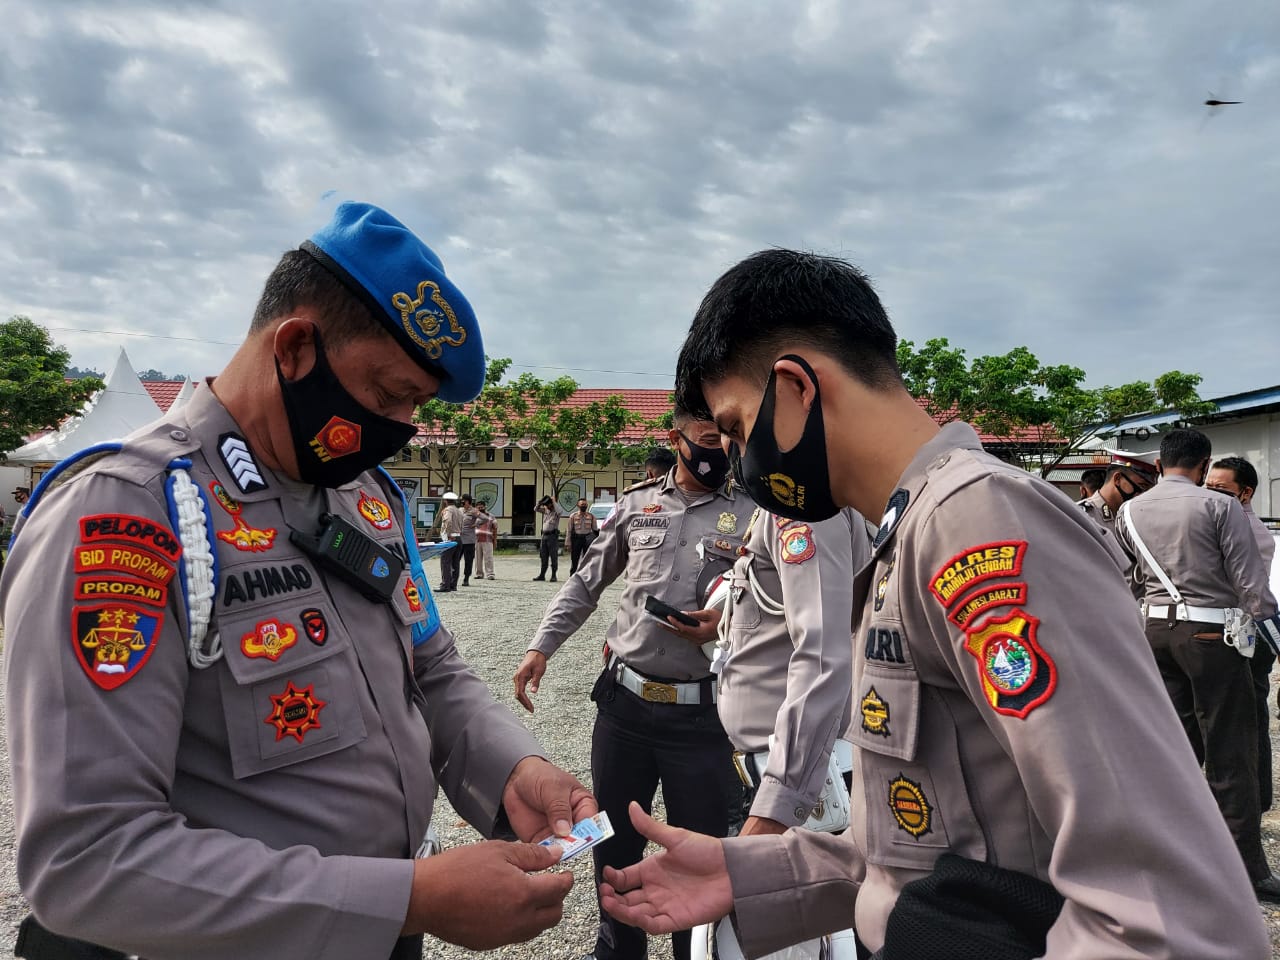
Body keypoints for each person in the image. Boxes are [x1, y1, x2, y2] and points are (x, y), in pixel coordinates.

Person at [597, 249, 1270, 958]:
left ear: (796, 386)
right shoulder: (909, 532)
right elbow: (930, 844)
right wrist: (750, 873)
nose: (737, 458)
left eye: (736, 427)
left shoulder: (979, 524)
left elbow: (1167, 917)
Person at [0, 201, 595, 960]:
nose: (401, 426)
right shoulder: (131, 512)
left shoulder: (363, 498)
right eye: (386, 396)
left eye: (414, 404)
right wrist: (407, 899)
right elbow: (86, 860)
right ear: (294, 347)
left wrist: (515, 768)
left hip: (388, 931)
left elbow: (434, 668)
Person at [514, 407, 756, 960]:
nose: (719, 451)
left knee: (699, 850)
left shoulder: (750, 513)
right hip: (624, 710)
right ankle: (618, 949)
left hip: (703, 718)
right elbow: (586, 583)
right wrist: (540, 646)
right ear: (676, 439)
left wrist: (726, 627)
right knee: (615, 846)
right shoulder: (637, 505)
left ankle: (691, 950)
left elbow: (777, 604)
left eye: (726, 441)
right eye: (705, 440)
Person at [712, 505, 867, 837]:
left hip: (808, 779)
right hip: (785, 770)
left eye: (740, 446)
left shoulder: (805, 511)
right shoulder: (776, 509)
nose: (734, 451)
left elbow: (822, 657)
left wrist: (776, 809)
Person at [1204, 455, 1278, 812]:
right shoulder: (1223, 521)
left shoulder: (1250, 532)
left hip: (1247, 635)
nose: (1212, 496)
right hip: (1237, 631)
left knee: (1247, 720)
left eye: (1221, 490)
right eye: (1207, 487)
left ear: (1245, 493)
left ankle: (1254, 797)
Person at [1076, 451, 1157, 533]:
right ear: (1117, 479)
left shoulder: (1133, 517)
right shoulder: (1082, 515)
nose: (1145, 494)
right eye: (1142, 486)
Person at [533, 494, 563, 581]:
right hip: (544, 536)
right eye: (545, 505)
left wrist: (553, 501)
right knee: (543, 556)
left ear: (551, 504)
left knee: (553, 556)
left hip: (552, 536)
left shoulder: (556, 511)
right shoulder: (546, 510)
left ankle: (554, 575)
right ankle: (542, 575)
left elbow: (560, 511)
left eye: (548, 504)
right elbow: (535, 509)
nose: (546, 506)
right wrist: (539, 503)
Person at [437, 490, 463, 591]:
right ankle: (453, 585)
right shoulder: (458, 511)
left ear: (445, 501)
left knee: (445, 561)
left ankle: (445, 585)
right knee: (455, 562)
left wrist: (448, 534)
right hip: (459, 537)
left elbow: (448, 521)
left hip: (450, 538)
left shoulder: (448, 510)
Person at [568, 497, 600, 575]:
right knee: (574, 558)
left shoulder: (591, 516)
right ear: (578, 505)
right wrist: (568, 542)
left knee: (587, 558)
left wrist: (598, 540)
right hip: (576, 539)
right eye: (582, 504)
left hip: (587, 539)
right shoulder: (573, 516)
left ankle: (585, 574)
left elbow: (595, 529)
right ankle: (573, 574)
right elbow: (569, 530)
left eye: (585, 504)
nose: (584, 506)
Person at [458, 493, 478, 586]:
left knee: (468, 560)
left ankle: (466, 578)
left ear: (468, 501)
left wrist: (476, 524)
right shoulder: (459, 510)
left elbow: (485, 518)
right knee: (456, 559)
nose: (461, 502)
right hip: (459, 539)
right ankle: (453, 578)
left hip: (469, 540)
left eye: (463, 500)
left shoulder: (474, 511)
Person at [475, 499, 497, 580]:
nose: (480, 508)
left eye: (482, 507)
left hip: (488, 539)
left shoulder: (491, 516)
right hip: (477, 540)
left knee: (488, 558)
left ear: (485, 507)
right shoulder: (474, 517)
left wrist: (495, 539)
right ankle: (479, 574)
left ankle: (490, 574)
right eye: (478, 507)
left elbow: (495, 528)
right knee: (478, 558)